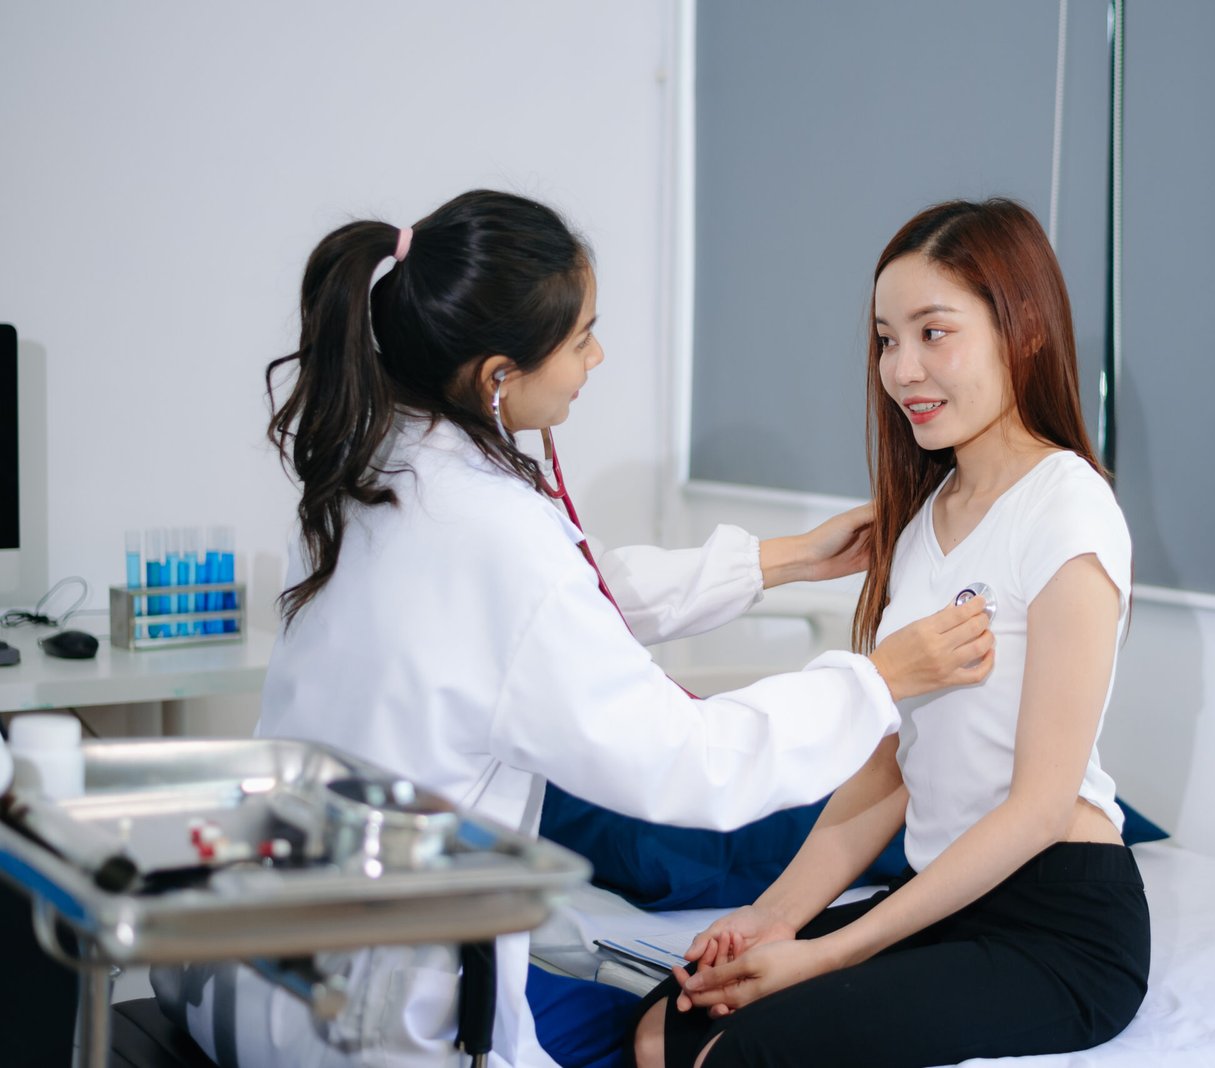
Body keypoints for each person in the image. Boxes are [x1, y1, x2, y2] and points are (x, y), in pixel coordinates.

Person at [155, 190, 993, 1068]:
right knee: (672, 1034)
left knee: (633, 1004)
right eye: (582, 335)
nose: (598, 355)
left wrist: (778, 560)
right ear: (498, 375)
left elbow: (554, 606)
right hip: (380, 1011)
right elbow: (689, 763)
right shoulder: (493, 532)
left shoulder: (371, 473)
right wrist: (879, 680)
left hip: (264, 960)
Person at [633, 198, 1150, 1068]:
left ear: (1021, 331)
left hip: (1059, 921)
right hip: (945, 896)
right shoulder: (922, 525)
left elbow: (1038, 808)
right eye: (885, 339)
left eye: (932, 332)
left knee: (742, 1054)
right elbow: (891, 765)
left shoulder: (1068, 508)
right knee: (664, 1026)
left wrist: (833, 951)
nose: (902, 368)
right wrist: (774, 917)